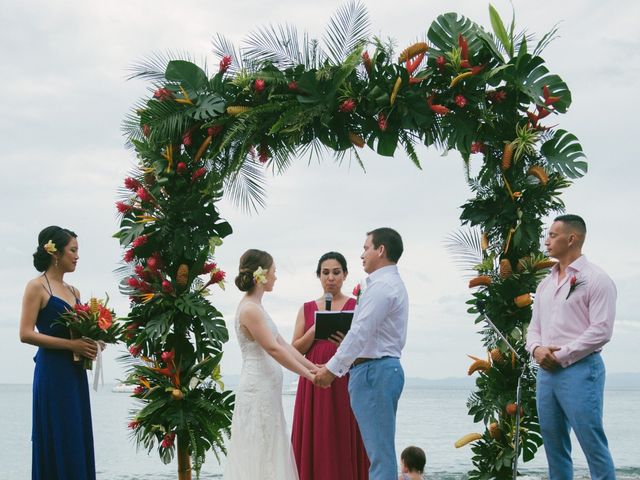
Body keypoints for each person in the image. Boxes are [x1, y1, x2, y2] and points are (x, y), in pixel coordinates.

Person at [526, 214, 616, 480]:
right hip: (546, 372)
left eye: (553, 235)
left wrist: (562, 356)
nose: (546, 241)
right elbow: (534, 328)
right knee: (554, 447)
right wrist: (536, 350)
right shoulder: (545, 284)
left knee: (592, 444)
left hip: (581, 370)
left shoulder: (597, 279)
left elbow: (601, 330)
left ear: (572, 238)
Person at [314, 228, 408, 480]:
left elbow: (359, 333)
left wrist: (331, 371)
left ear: (381, 250)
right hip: (377, 370)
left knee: (379, 456)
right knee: (379, 453)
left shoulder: (382, 287)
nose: (362, 254)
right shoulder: (387, 285)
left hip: (374, 372)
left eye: (366, 248)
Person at [224, 249, 317, 480]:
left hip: (267, 392)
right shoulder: (249, 310)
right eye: (274, 272)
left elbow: (284, 344)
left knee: (270, 450)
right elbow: (273, 350)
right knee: (260, 452)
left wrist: (314, 367)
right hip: (257, 391)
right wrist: (310, 377)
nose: (276, 277)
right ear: (262, 275)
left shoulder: (257, 308)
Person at [19, 226, 98, 480]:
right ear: (55, 253)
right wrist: (71, 346)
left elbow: (77, 333)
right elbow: (26, 333)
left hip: (75, 372)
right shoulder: (37, 287)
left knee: (76, 433)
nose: (77, 256)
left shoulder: (74, 292)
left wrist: (91, 343)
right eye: (72, 250)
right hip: (52, 373)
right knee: (57, 433)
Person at [290, 252, 369, 480]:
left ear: (344, 275)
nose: (331, 278)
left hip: (345, 378)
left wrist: (347, 344)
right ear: (319, 276)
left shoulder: (356, 305)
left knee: (343, 434)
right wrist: (315, 327)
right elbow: (294, 350)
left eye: (336, 272)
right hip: (313, 378)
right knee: (316, 435)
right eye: (325, 273)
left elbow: (366, 348)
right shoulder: (306, 308)